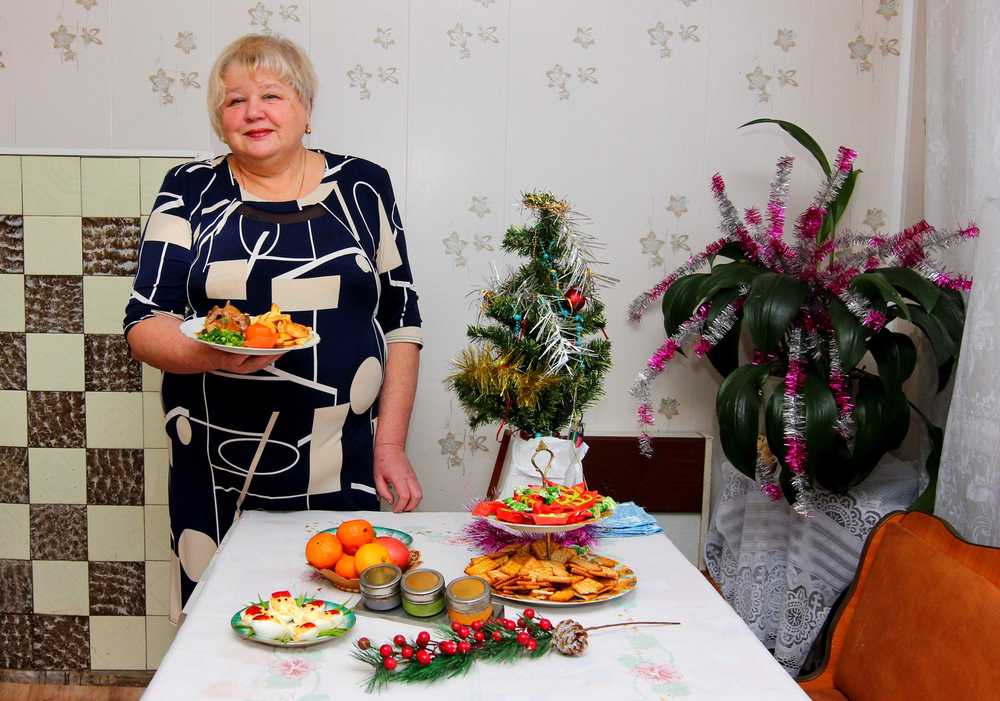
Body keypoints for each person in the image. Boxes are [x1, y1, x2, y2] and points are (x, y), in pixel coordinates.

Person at [124, 34, 423, 618]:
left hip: (341, 456)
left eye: (272, 95)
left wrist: (390, 445)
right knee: (224, 620)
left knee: (340, 617)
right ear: (219, 121)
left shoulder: (364, 186)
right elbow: (143, 324)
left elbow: (402, 320)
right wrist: (215, 355)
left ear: (306, 110)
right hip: (213, 463)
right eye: (234, 101)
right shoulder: (187, 190)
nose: (253, 112)